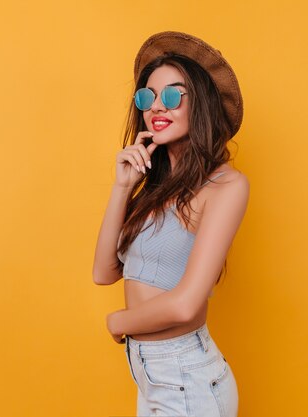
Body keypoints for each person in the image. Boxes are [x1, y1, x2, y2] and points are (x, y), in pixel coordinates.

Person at [92, 31, 249, 417]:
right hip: (151, 376)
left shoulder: (227, 186)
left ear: (203, 106)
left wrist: (118, 321)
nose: (157, 107)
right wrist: (122, 187)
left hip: (186, 378)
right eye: (147, 97)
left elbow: (186, 305)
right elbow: (103, 271)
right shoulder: (155, 188)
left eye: (173, 96)